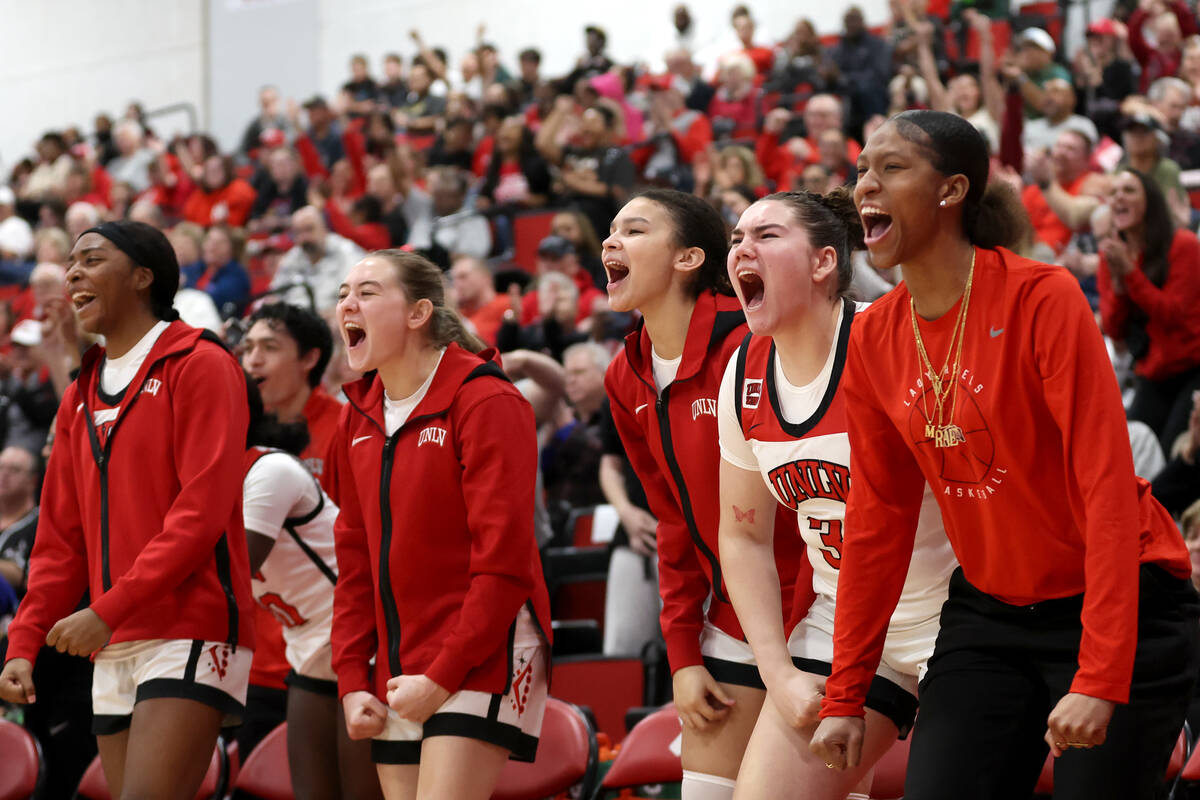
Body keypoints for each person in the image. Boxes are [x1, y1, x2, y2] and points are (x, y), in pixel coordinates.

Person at [810, 110, 1199, 800]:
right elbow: (876, 523)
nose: (865, 184)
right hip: (991, 612)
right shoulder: (873, 339)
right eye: (863, 168)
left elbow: (1105, 488)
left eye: (891, 167)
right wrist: (846, 693)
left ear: (952, 190)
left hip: (1122, 600)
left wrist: (1101, 676)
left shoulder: (1041, 297)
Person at [0, 220, 256, 800]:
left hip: (189, 625)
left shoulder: (200, 363)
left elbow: (201, 512)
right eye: (70, 263)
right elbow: (60, 540)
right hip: (111, 637)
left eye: (91, 259)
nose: (72, 273)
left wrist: (107, 608)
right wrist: (25, 641)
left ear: (143, 276)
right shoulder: (79, 395)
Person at [718, 190, 955, 799]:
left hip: (956, 612)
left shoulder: (895, 341)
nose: (743, 248)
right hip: (844, 623)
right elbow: (742, 535)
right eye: (737, 239)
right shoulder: (743, 373)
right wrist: (777, 673)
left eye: (767, 236)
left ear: (824, 262)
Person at [603, 189, 806, 800]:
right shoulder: (625, 372)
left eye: (634, 231)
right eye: (610, 231)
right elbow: (670, 522)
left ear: (689, 258)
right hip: (730, 615)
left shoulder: (751, 339)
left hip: (818, 609)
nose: (611, 243)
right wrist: (684, 656)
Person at [330, 249, 552, 799]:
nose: (347, 305)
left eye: (368, 292)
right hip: (401, 664)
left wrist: (444, 674)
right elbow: (354, 562)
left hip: (486, 652)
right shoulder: (356, 416)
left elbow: (504, 565)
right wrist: (352, 679)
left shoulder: (486, 399)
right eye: (342, 294)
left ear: (418, 312)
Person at [242, 386, 380, 800]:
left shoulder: (270, 472)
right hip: (305, 646)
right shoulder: (193, 490)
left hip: (361, 637)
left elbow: (224, 578)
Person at [1098, 167, 1200, 452]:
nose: (1119, 197)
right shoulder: (1112, 255)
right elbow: (1114, 329)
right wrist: (1119, 285)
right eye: (1113, 192)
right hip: (1151, 373)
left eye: (1129, 190)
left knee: (1172, 453)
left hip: (1192, 369)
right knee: (1127, 453)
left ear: (1150, 201)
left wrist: (1130, 273)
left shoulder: (1183, 245)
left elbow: (1173, 314)